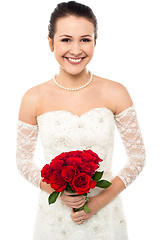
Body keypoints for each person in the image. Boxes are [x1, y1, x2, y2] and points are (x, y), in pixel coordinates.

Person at [16, 1, 146, 239]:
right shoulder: (33, 97)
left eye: (85, 39)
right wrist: (55, 189)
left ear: (95, 41)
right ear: (50, 42)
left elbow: (137, 157)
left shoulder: (116, 92)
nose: (76, 50)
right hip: (55, 217)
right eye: (66, 39)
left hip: (105, 217)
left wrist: (98, 202)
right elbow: (23, 161)